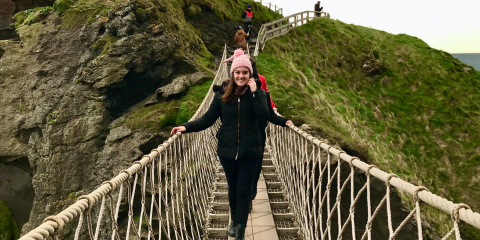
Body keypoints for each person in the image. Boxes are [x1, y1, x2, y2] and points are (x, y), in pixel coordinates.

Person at [171, 55, 269, 240]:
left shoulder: (259, 94)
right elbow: (207, 119)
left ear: (250, 74)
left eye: (244, 72)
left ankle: (239, 231)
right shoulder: (222, 95)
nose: (241, 76)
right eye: (237, 72)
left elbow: (264, 117)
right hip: (227, 151)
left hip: (251, 151)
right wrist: (186, 127)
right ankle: (234, 221)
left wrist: (255, 92)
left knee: (243, 191)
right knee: (232, 188)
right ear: (232, 74)